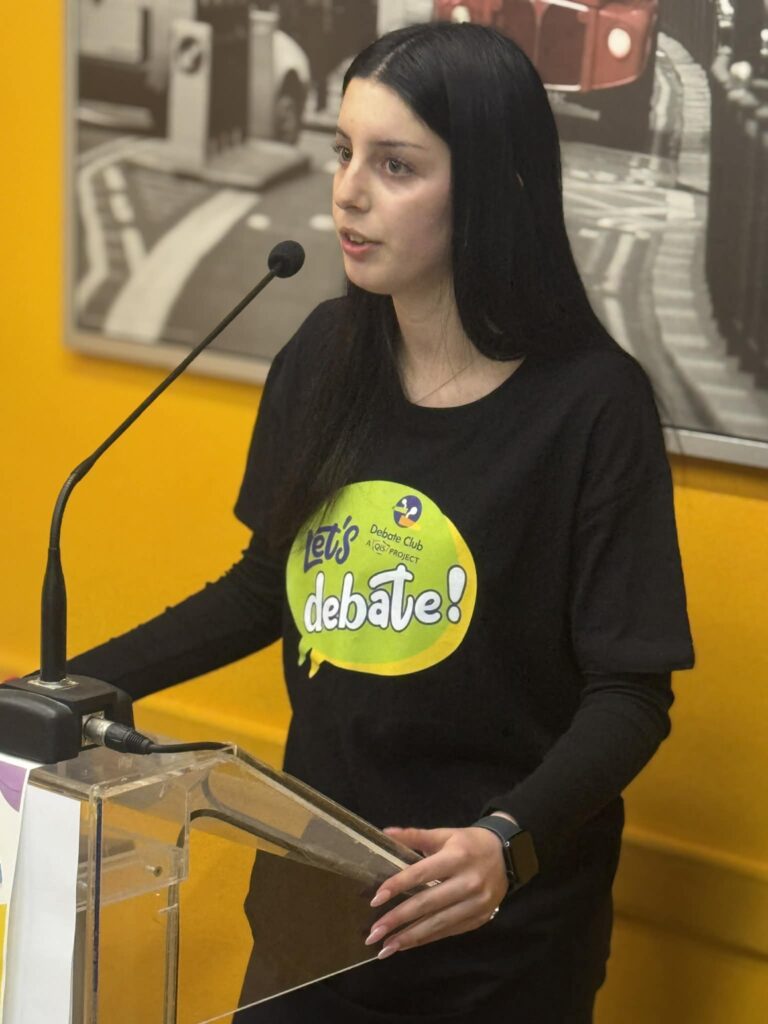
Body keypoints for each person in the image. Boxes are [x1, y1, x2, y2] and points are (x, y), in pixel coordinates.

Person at [65, 22, 694, 1024]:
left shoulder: (592, 404)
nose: (348, 192)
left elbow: (631, 691)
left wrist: (505, 840)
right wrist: (60, 692)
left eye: (395, 165)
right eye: (342, 151)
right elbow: (265, 586)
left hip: (495, 936)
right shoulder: (324, 355)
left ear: (492, 187)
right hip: (318, 901)